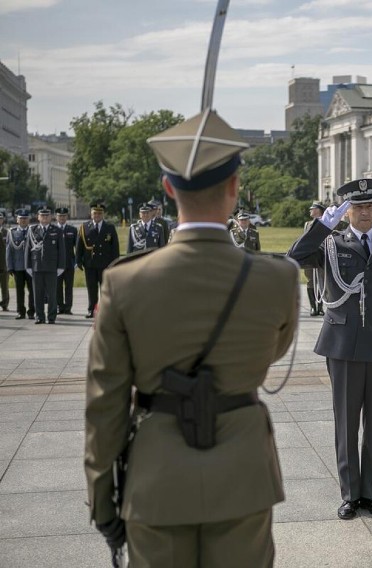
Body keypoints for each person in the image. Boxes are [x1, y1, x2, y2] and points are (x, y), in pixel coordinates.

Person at [85, 108, 299, 567]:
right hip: (243, 477)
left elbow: (105, 405)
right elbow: (272, 352)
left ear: (166, 190)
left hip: (156, 480)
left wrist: (103, 502)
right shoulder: (276, 280)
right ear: (235, 185)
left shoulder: (125, 283)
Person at [288, 178, 372, 521]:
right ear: (346, 213)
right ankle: (349, 495)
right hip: (342, 345)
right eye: (357, 208)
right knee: (346, 423)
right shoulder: (330, 244)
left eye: (370, 206)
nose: (365, 213)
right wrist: (321, 226)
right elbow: (293, 257)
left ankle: (371, 493)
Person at [76, 203, 120, 318]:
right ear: (91, 214)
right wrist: (78, 261)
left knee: (105, 289)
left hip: (105, 263)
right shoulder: (84, 227)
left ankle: (105, 311)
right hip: (90, 263)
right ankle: (92, 309)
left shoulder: (109, 227)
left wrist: (115, 262)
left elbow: (115, 247)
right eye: (95, 213)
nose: (97, 215)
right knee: (91, 288)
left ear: (103, 215)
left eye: (99, 213)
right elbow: (79, 245)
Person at [25, 208, 65, 324]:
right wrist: (28, 266)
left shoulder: (56, 230)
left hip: (52, 267)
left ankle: (52, 317)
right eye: (42, 216)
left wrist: (61, 266)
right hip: (36, 267)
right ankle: (39, 316)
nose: (44, 218)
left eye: (47, 216)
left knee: (52, 294)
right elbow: (28, 249)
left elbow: (61, 250)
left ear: (51, 217)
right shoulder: (32, 230)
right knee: (37, 294)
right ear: (38, 217)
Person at [6, 211, 34, 320]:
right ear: (17, 220)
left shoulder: (33, 231)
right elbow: (9, 251)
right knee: (19, 291)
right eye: (21, 218)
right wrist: (10, 267)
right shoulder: (12, 232)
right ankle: (20, 311)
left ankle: (32, 311)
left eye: (25, 218)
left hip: (31, 266)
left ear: (28, 220)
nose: (23, 220)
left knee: (32, 290)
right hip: (18, 267)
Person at [304, 202, 325, 316]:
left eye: (312, 208)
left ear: (318, 210)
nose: (310, 210)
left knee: (321, 281)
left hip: (321, 256)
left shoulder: (326, 223)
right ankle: (313, 307)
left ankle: (320, 307)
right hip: (310, 256)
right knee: (310, 281)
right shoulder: (308, 224)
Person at [55, 208, 77, 315]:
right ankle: (60, 307)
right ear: (56, 217)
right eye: (60, 216)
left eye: (64, 216)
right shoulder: (53, 229)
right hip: (56, 264)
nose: (62, 218)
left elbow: (77, 247)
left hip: (69, 263)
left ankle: (68, 307)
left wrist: (76, 261)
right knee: (57, 287)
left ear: (67, 217)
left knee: (69, 286)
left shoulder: (72, 230)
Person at [0, 215, 9, 311]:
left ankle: (5, 304)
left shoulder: (7, 232)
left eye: (0, 219)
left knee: (4, 285)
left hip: (4, 263)